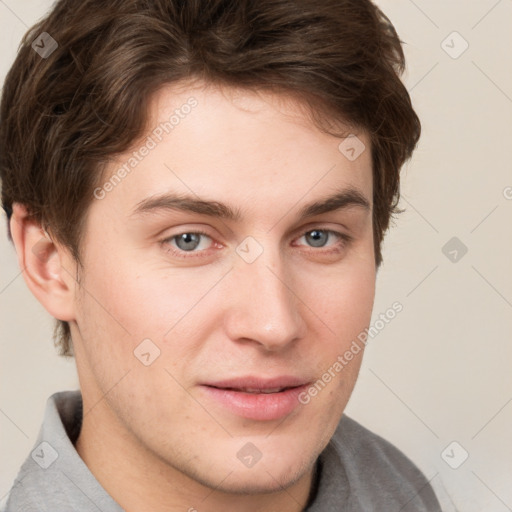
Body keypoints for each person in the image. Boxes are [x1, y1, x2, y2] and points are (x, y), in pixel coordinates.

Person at [0, 0, 442, 510]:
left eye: (318, 236)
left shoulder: (405, 492)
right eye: (189, 239)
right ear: (50, 262)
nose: (274, 324)